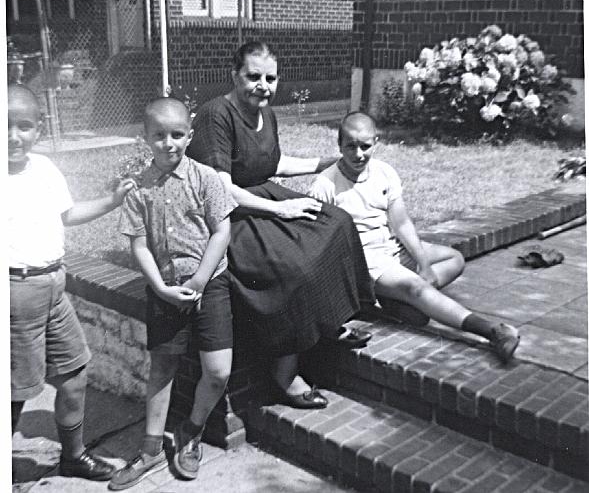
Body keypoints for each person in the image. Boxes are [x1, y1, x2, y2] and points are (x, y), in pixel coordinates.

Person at [186, 41, 374, 410]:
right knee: (294, 264)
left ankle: (327, 321)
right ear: (234, 76)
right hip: (231, 215)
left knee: (336, 224)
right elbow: (221, 190)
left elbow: (272, 162)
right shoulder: (216, 115)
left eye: (270, 78)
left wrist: (323, 162)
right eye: (253, 76)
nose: (263, 85)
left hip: (264, 198)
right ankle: (284, 372)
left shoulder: (265, 113)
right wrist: (282, 209)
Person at [308, 111, 520, 363]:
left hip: (390, 246)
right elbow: (318, 242)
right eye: (350, 146)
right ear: (339, 145)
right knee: (417, 287)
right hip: (365, 260)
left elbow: (401, 222)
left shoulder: (383, 172)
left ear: (376, 143)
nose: (358, 154)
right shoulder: (325, 185)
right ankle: (492, 331)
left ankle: (393, 301)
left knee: (454, 259)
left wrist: (424, 264)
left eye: (365, 146)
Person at [8, 84, 135, 480]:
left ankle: (73, 455)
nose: (13, 136)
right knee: (12, 394)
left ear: (39, 129)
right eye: (4, 126)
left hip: (54, 290)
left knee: (75, 373)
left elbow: (67, 213)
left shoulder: (44, 168)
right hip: (13, 294)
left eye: (24, 126)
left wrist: (112, 202)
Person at [110, 97, 236, 490]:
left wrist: (199, 281)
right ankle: (150, 449)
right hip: (163, 287)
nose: (169, 143)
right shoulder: (139, 188)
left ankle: (192, 430)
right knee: (163, 367)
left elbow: (222, 231)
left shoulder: (205, 178)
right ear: (144, 138)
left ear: (190, 135)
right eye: (159, 136)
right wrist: (161, 289)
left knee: (218, 372)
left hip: (209, 284)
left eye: (177, 135)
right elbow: (139, 245)